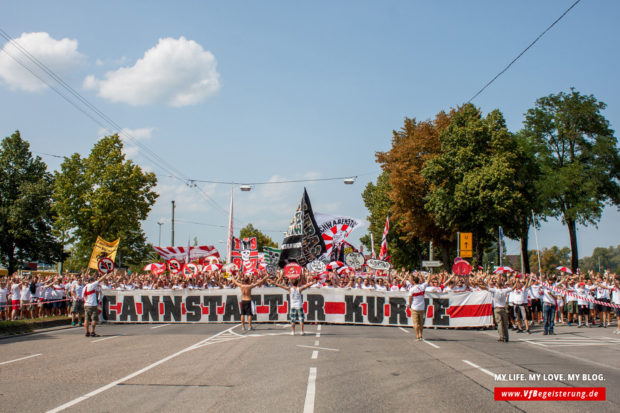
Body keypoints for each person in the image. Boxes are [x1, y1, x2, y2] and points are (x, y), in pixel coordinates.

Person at [82, 271, 112, 337]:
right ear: (91, 281)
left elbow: (83, 297)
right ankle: (92, 332)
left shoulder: (84, 287)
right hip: (92, 304)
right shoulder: (91, 285)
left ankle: (86, 332)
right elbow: (99, 280)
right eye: (93, 280)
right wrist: (106, 273)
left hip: (86, 304)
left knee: (86, 319)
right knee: (94, 319)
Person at [407, 271, 432, 341]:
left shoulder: (411, 289)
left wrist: (410, 305)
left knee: (415, 323)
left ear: (414, 282)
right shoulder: (422, 286)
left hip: (414, 307)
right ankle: (420, 334)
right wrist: (429, 273)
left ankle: (417, 335)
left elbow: (410, 298)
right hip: (422, 307)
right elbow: (428, 280)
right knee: (421, 323)